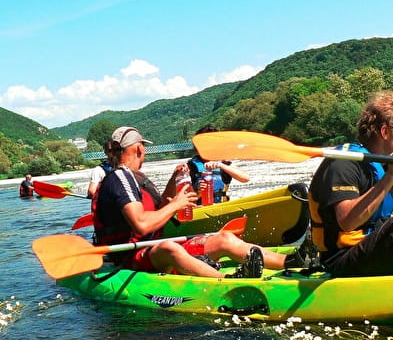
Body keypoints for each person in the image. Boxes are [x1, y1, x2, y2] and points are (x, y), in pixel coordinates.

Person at [95, 126, 307, 279]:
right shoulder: (119, 178)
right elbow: (141, 224)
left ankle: (292, 261)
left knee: (224, 238)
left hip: (151, 248)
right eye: (144, 149)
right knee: (169, 247)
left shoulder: (137, 178)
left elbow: (158, 210)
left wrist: (173, 181)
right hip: (130, 257)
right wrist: (176, 204)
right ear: (139, 149)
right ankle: (227, 282)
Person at [309, 90, 393, 277]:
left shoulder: (384, 164)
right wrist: (389, 178)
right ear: (385, 132)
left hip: (374, 250)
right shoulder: (343, 162)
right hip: (342, 260)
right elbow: (347, 221)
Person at [187, 125, 250, 204]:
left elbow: (245, 178)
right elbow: (184, 199)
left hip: (221, 206)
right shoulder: (190, 166)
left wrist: (221, 165)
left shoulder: (225, 163)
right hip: (199, 208)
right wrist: (199, 193)